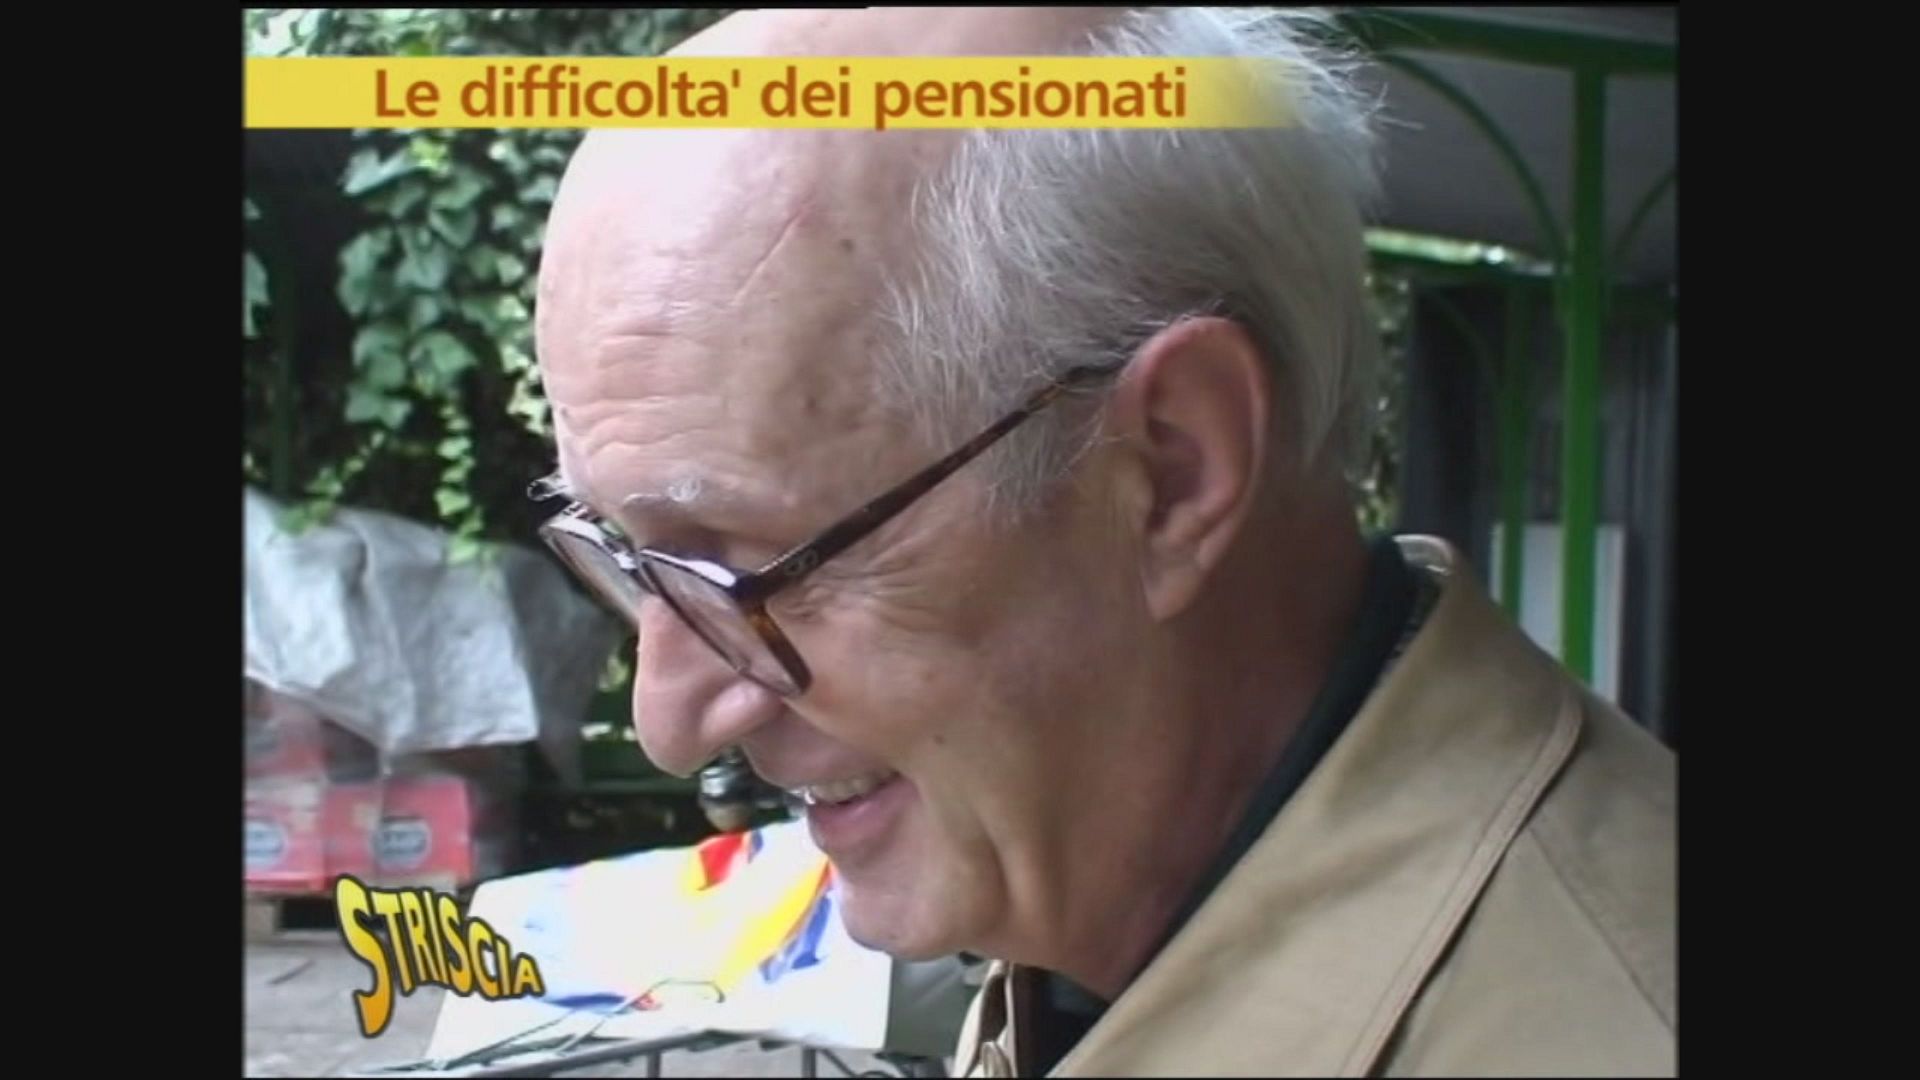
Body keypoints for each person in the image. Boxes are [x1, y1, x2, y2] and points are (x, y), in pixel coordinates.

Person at [528, 6, 1676, 1076]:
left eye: (747, 568)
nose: (667, 721)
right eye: (632, 560)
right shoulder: (1105, 902)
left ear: (1172, 471)